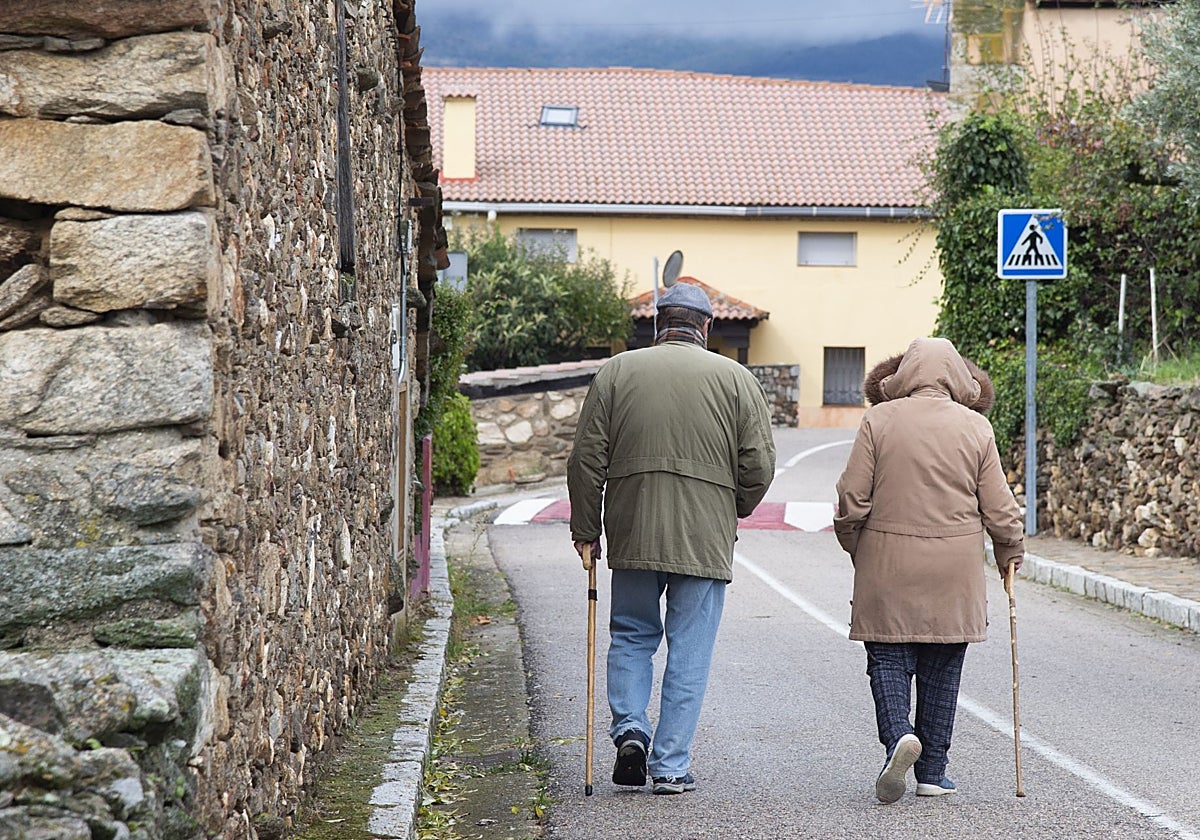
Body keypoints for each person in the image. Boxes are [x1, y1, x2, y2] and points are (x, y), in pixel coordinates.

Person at [566, 280, 776, 795]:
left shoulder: (616, 372)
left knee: (633, 634)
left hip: (634, 528)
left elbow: (585, 459)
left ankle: (630, 729)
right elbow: (759, 464)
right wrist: (735, 507)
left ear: (659, 325)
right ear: (706, 327)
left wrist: (586, 529)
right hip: (704, 537)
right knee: (690, 650)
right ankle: (670, 765)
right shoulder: (736, 380)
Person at [833, 337, 1024, 804]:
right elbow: (1000, 510)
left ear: (904, 376)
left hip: (888, 563)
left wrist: (857, 547)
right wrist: (1009, 553)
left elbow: (851, 499)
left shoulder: (878, 420)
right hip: (954, 572)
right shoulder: (976, 428)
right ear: (959, 378)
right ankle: (932, 772)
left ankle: (900, 736)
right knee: (943, 668)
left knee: (888, 660)